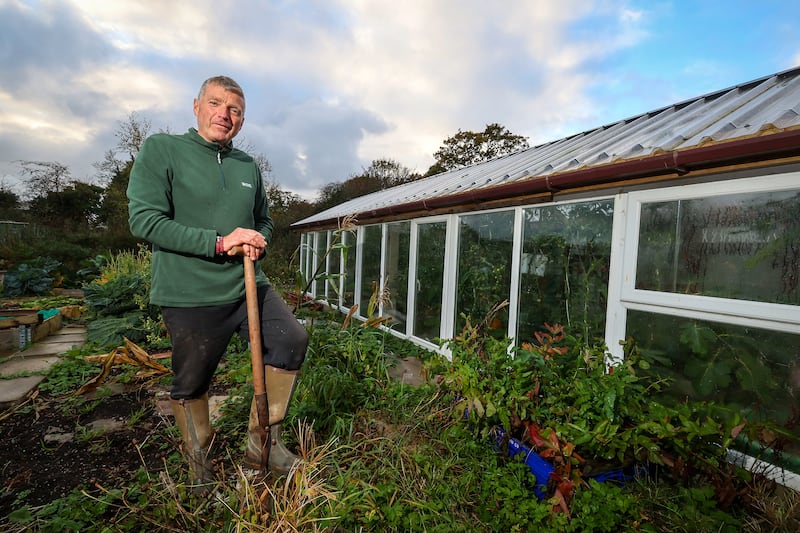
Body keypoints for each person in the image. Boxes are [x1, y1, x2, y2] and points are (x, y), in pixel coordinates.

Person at [127, 75, 308, 492]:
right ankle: (199, 462)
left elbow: (263, 218)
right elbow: (145, 220)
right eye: (216, 104)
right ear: (196, 106)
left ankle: (263, 445)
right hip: (190, 292)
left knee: (291, 339)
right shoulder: (162, 150)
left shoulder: (247, 165)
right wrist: (220, 242)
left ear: (242, 120)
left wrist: (258, 237)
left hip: (248, 285)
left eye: (235, 110)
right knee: (193, 380)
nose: (224, 115)